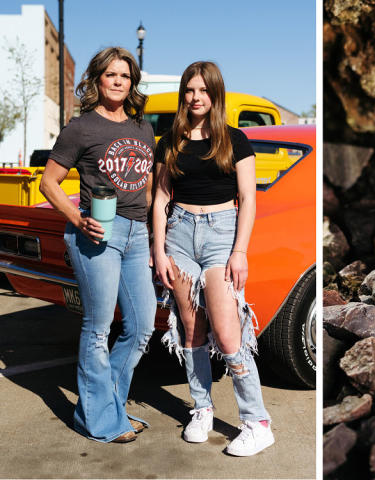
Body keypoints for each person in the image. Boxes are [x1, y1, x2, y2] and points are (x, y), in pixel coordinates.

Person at [151, 61, 273, 456]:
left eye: (203, 90)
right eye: (189, 90)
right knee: (191, 330)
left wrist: (240, 251)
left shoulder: (235, 140)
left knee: (227, 331)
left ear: (215, 94)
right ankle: (201, 409)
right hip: (180, 235)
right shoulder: (170, 141)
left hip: (222, 235)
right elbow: (161, 198)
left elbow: (248, 199)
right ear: (183, 94)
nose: (195, 97)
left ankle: (257, 422)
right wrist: (158, 249)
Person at [38, 47, 156, 444]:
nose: (118, 81)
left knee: (141, 327)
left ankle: (110, 408)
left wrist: (155, 228)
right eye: (111, 75)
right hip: (98, 233)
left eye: (125, 75)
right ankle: (99, 421)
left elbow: (148, 184)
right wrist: (76, 219)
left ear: (132, 82)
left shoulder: (143, 128)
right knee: (97, 328)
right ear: (97, 80)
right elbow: (48, 183)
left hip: (138, 234)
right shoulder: (80, 128)